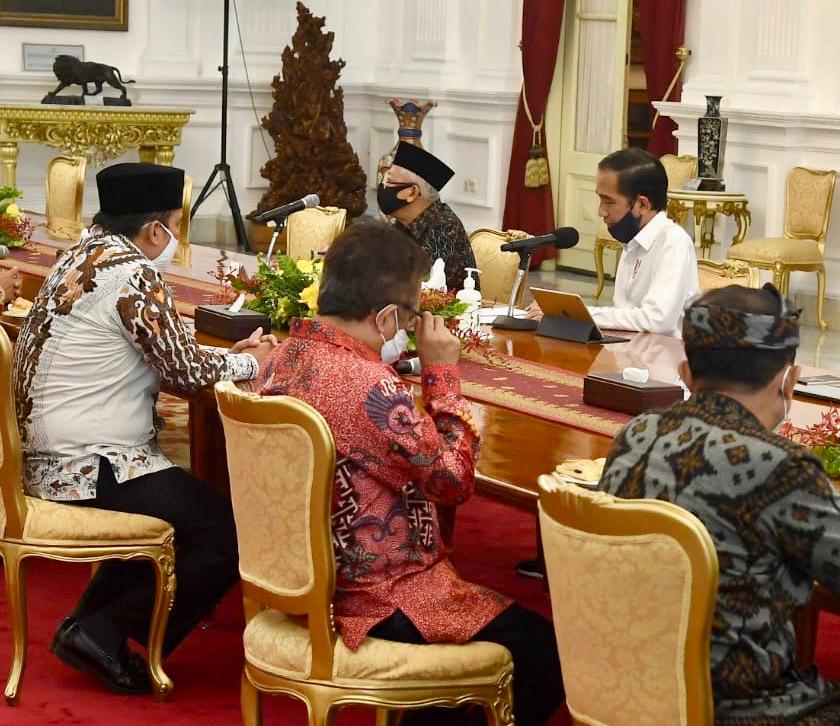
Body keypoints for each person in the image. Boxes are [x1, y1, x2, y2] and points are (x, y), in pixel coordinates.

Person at [257, 221, 562, 725]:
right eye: (410, 316)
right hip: (375, 595)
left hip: (303, 573)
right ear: (385, 317)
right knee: (545, 652)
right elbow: (453, 482)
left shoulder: (283, 357)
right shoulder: (371, 386)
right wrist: (443, 374)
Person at [13, 162, 276, 696]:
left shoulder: (81, 256)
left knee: (179, 511)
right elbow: (183, 371)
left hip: (49, 453)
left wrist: (229, 356)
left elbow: (164, 353)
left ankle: (87, 629)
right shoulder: (133, 273)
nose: (174, 235)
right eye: (175, 223)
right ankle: (109, 632)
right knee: (226, 536)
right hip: (88, 463)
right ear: (155, 228)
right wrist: (255, 364)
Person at [598, 283, 840, 724]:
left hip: (627, 687)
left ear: (686, 373)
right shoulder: (782, 468)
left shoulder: (636, 435)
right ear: (790, 379)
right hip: (744, 710)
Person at [527, 147, 698, 337]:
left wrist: (577, 315)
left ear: (642, 204)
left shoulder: (673, 242)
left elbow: (657, 320)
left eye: (608, 202)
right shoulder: (632, 240)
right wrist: (561, 312)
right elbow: (625, 312)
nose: (600, 211)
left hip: (664, 358)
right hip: (629, 348)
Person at [379, 140, 480, 293]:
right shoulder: (402, 225)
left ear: (412, 192)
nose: (383, 187)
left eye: (389, 182)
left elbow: (424, 287)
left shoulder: (444, 226)